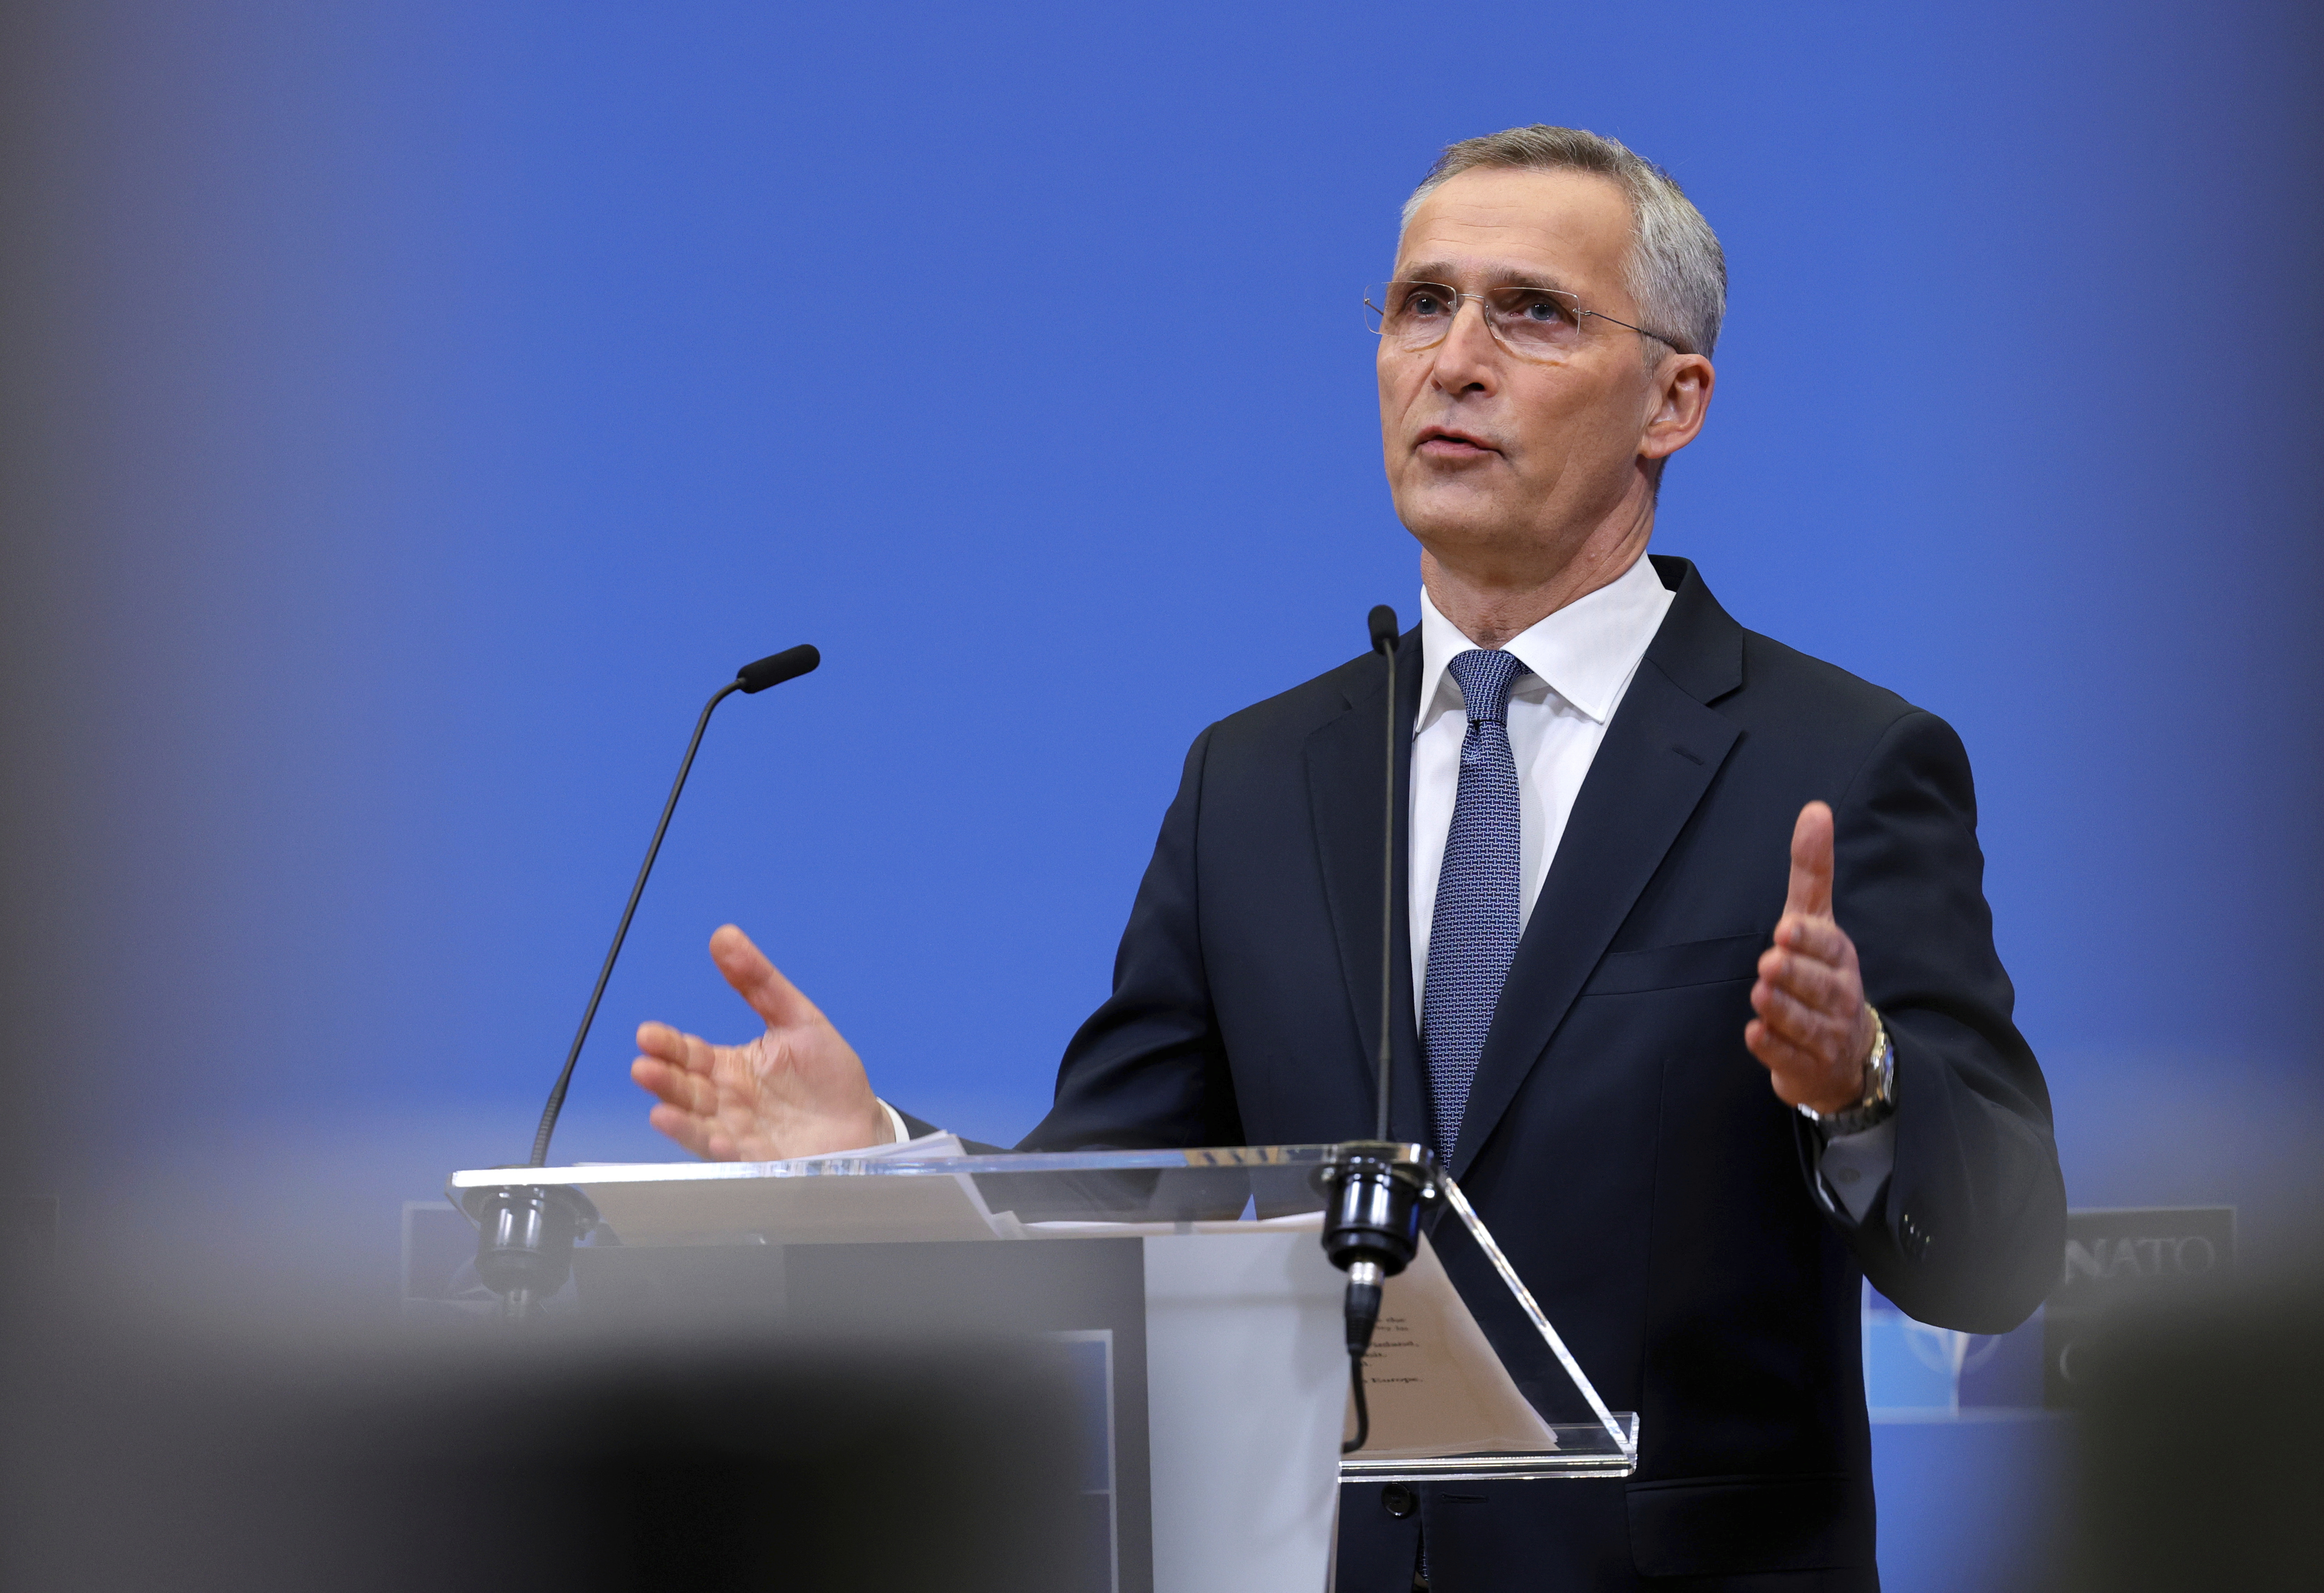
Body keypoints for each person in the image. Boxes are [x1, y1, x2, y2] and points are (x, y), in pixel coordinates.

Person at [629, 125, 2065, 1592]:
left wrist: (1862, 1084)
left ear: (1673, 399)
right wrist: (865, 1157)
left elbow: (2002, 1250)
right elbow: (1106, 1209)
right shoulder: (1254, 781)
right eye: (1418, 304)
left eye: (1532, 312)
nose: (1453, 359)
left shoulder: (1837, 763)